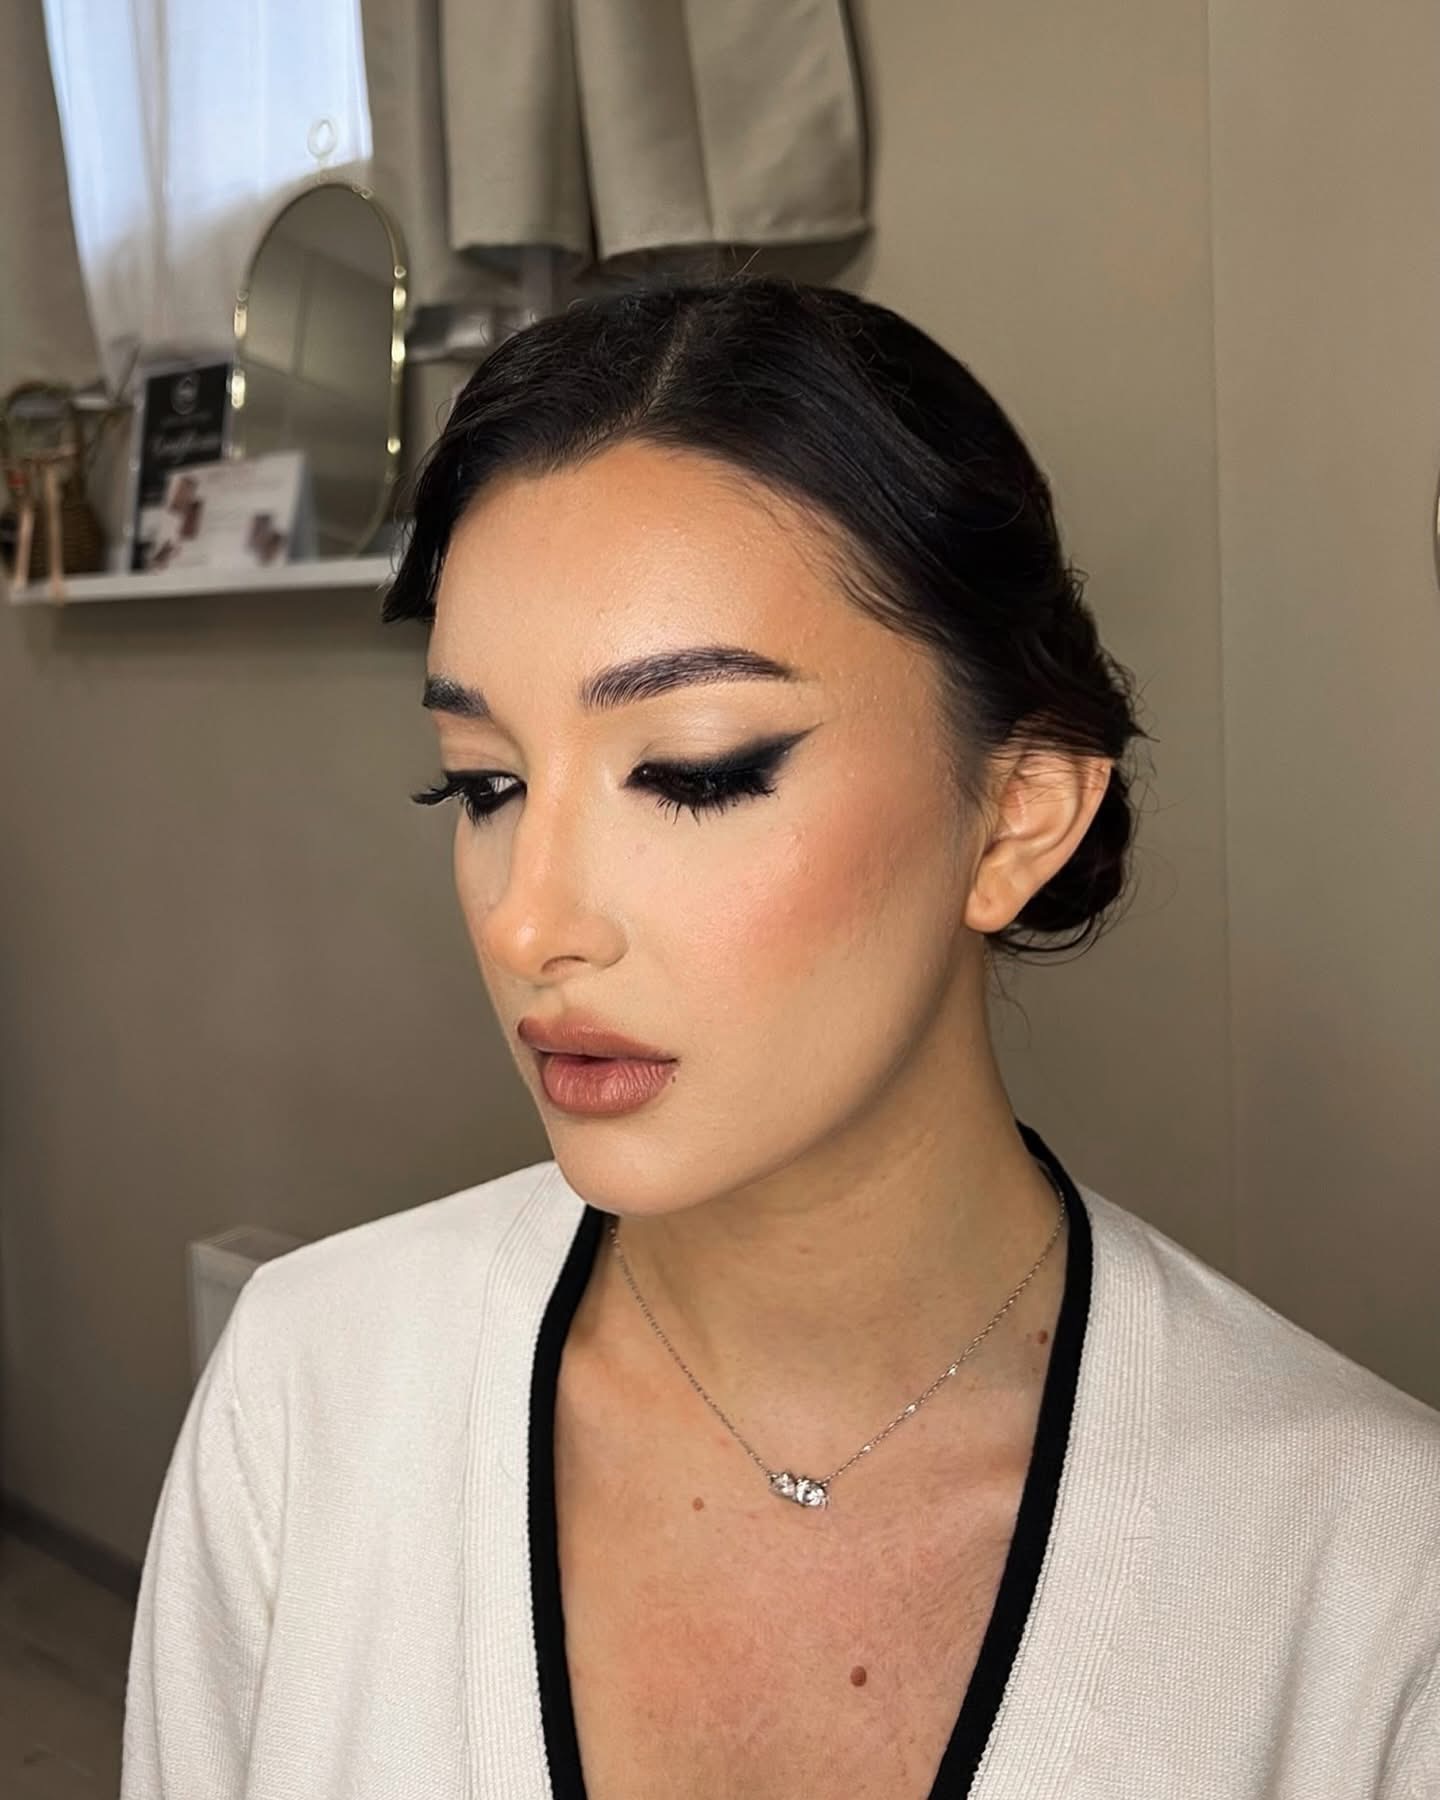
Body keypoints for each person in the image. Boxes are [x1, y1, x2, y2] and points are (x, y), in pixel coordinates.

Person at [121, 274, 1440, 1798]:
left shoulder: (1369, 1576)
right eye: (483, 784)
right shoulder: (313, 1385)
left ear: (1016, 816)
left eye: (694, 774)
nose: (529, 922)